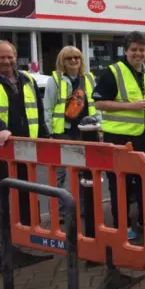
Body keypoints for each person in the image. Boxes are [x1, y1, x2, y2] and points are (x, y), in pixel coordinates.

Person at [93, 32, 145, 240]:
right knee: (120, 185)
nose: (138, 54)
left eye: (141, 50)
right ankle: (122, 225)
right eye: (133, 49)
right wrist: (130, 106)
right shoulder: (113, 72)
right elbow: (98, 103)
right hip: (119, 139)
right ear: (125, 51)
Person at [44, 46, 98, 222]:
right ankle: (59, 212)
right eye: (69, 58)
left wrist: (99, 128)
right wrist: (50, 133)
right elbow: (48, 107)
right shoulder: (56, 80)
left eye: (77, 57)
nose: (74, 61)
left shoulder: (89, 78)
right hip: (63, 133)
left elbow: (96, 105)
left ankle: (82, 208)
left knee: (84, 173)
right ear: (62, 61)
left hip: (85, 133)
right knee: (59, 174)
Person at [0, 41, 49, 226]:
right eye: (1, 57)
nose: (6, 60)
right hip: (3, 149)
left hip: (26, 147)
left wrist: (44, 138)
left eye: (9, 56)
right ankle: (6, 241)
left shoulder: (27, 79)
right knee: (4, 195)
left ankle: (29, 236)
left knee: (27, 192)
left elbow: (38, 109)